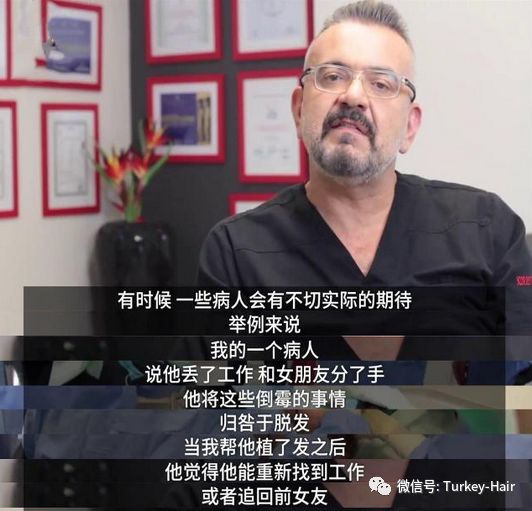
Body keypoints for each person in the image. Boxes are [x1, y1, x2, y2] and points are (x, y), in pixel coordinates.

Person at [198, 1, 532, 507]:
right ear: (298, 107)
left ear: (410, 127)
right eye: (332, 76)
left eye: (381, 83)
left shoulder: (487, 230)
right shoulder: (236, 252)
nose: (353, 95)